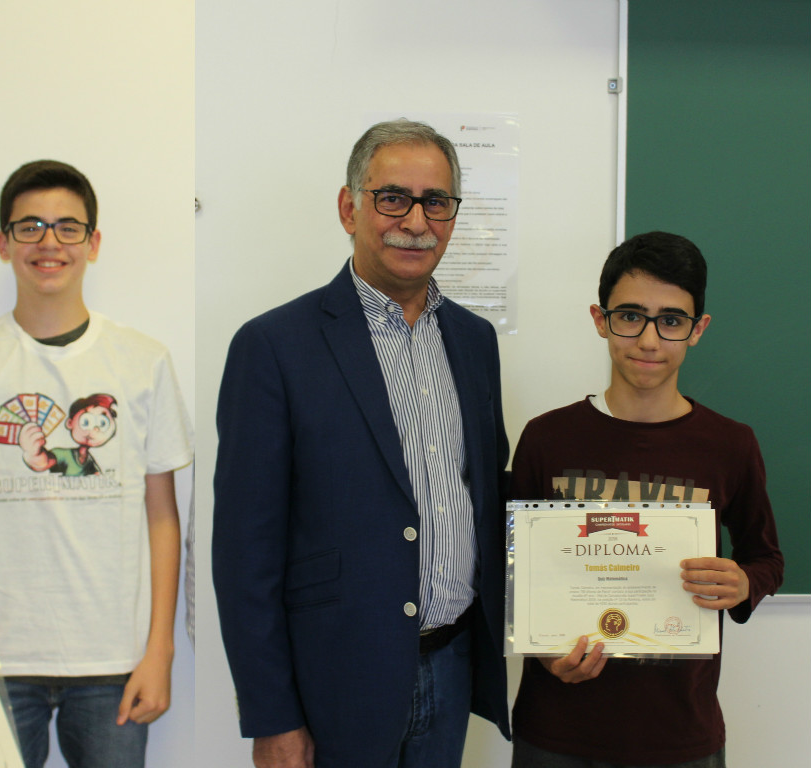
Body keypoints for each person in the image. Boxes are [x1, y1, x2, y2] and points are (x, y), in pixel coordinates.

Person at [212, 119, 510, 768]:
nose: (416, 221)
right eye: (392, 198)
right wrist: (272, 715)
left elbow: (487, 495)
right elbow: (244, 552)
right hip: (333, 683)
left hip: (453, 665)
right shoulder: (273, 347)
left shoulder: (473, 341)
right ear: (349, 208)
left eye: (436, 202)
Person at [0, 160, 193, 768]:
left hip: (113, 661)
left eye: (67, 227)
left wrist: (160, 650)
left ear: (93, 242)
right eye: (30, 226)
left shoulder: (143, 361)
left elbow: (163, 518)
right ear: (3, 243)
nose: (49, 243)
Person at [508, 231, 783, 767]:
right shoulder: (546, 438)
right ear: (600, 319)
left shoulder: (731, 444)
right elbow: (512, 572)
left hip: (679, 732)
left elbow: (766, 559)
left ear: (697, 329)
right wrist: (540, 648)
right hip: (558, 728)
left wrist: (745, 583)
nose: (649, 340)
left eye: (671, 320)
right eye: (630, 316)